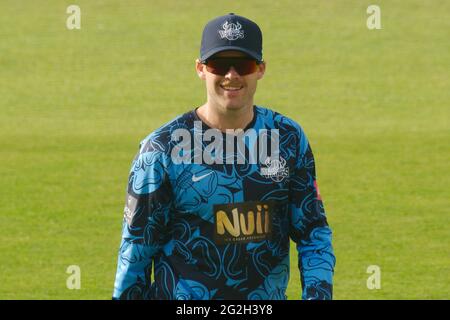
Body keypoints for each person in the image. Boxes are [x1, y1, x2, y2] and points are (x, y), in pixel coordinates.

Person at [113, 13, 335, 300]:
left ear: (261, 69)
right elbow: (136, 250)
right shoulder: (161, 150)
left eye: (243, 64)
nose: (232, 75)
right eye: (219, 64)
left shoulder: (287, 138)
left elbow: (313, 233)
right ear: (200, 69)